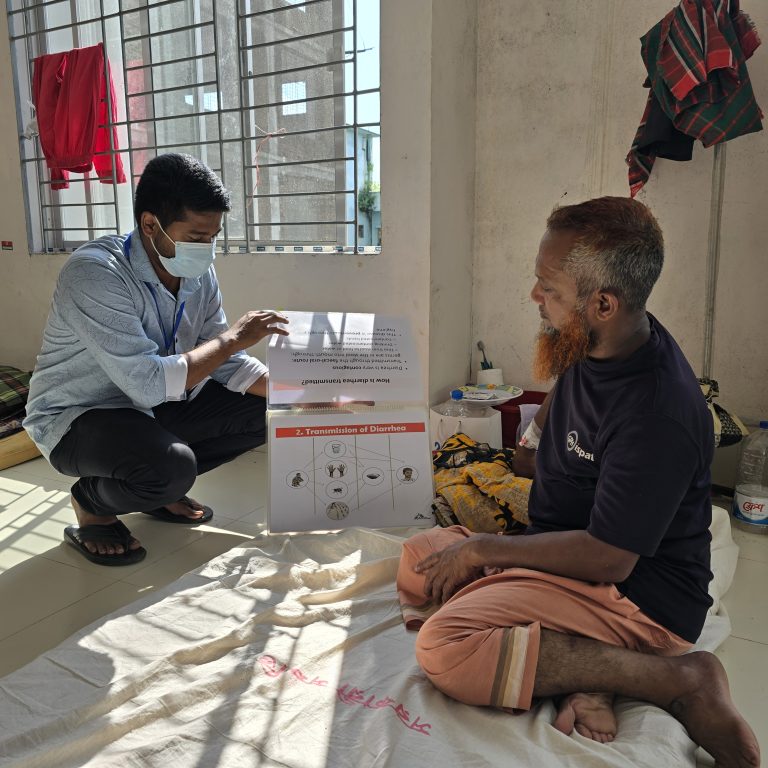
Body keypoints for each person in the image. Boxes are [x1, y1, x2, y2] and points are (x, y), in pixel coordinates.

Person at [398, 197, 760, 768]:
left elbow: (610, 558)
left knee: (442, 648)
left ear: (604, 302)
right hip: (566, 551)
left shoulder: (657, 413)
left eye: (549, 289)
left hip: (636, 595)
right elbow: (556, 429)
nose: (535, 298)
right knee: (419, 555)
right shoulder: (599, 341)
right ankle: (571, 659)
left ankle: (673, 678)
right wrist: (527, 458)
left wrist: (487, 550)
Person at [24, 153, 288, 566]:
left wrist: (304, 394)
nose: (207, 248)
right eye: (197, 236)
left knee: (269, 410)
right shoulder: (95, 273)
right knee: (170, 468)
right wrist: (235, 338)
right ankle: (91, 501)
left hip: (151, 406)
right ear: (151, 224)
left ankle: (155, 486)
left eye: (213, 236)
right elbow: (149, 381)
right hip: (80, 416)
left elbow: (225, 360)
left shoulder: (197, 272)